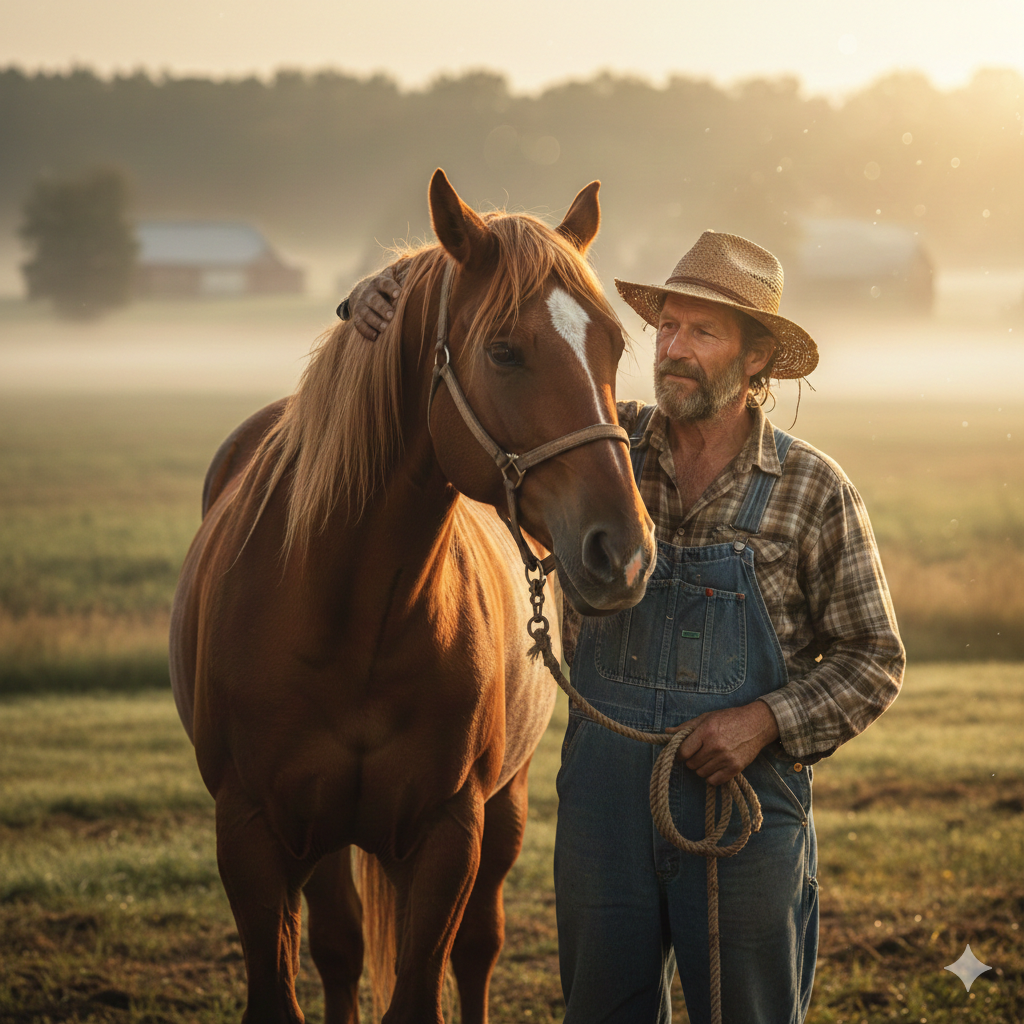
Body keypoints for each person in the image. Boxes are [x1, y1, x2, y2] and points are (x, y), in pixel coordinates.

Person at [342, 230, 905, 1024]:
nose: (673, 348)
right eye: (667, 327)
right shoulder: (602, 456)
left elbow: (873, 659)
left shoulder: (813, 491)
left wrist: (761, 721)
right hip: (605, 803)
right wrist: (378, 298)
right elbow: (481, 388)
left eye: (703, 332)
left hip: (741, 803)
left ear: (756, 362)